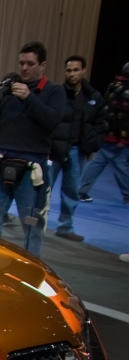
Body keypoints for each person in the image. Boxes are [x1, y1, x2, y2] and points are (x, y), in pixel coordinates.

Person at [0, 41, 65, 256]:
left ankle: (30, 271)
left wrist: (29, 98)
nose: (24, 68)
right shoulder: (8, 91)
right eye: (21, 63)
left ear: (42, 65)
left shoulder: (54, 91)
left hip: (32, 167)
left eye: (30, 64)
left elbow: (53, 122)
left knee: (32, 225)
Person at [48, 55, 106, 241]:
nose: (72, 74)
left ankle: (65, 227)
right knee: (43, 188)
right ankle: (36, 223)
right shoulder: (57, 93)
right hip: (55, 149)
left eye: (75, 70)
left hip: (78, 151)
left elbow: (100, 123)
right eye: (68, 70)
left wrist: (93, 147)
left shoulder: (94, 97)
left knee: (72, 190)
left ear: (83, 71)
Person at [78, 61, 129, 206]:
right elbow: (123, 115)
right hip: (118, 135)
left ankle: (80, 190)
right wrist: (121, 137)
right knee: (121, 165)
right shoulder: (127, 90)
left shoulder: (114, 85)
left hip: (106, 132)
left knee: (98, 162)